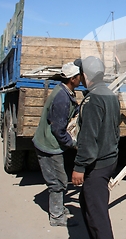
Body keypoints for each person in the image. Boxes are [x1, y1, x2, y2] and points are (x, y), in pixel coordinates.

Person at [72, 56, 121, 239]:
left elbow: (88, 137)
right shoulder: (110, 94)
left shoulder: (93, 100)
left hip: (97, 164)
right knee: (87, 204)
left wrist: (79, 167)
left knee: (97, 217)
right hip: (108, 159)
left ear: (86, 75)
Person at [32, 62, 81, 227]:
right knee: (57, 181)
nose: (81, 78)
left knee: (59, 179)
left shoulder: (65, 91)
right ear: (73, 79)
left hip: (50, 143)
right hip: (49, 145)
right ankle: (57, 217)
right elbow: (58, 130)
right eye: (79, 76)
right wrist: (73, 144)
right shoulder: (61, 98)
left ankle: (58, 208)